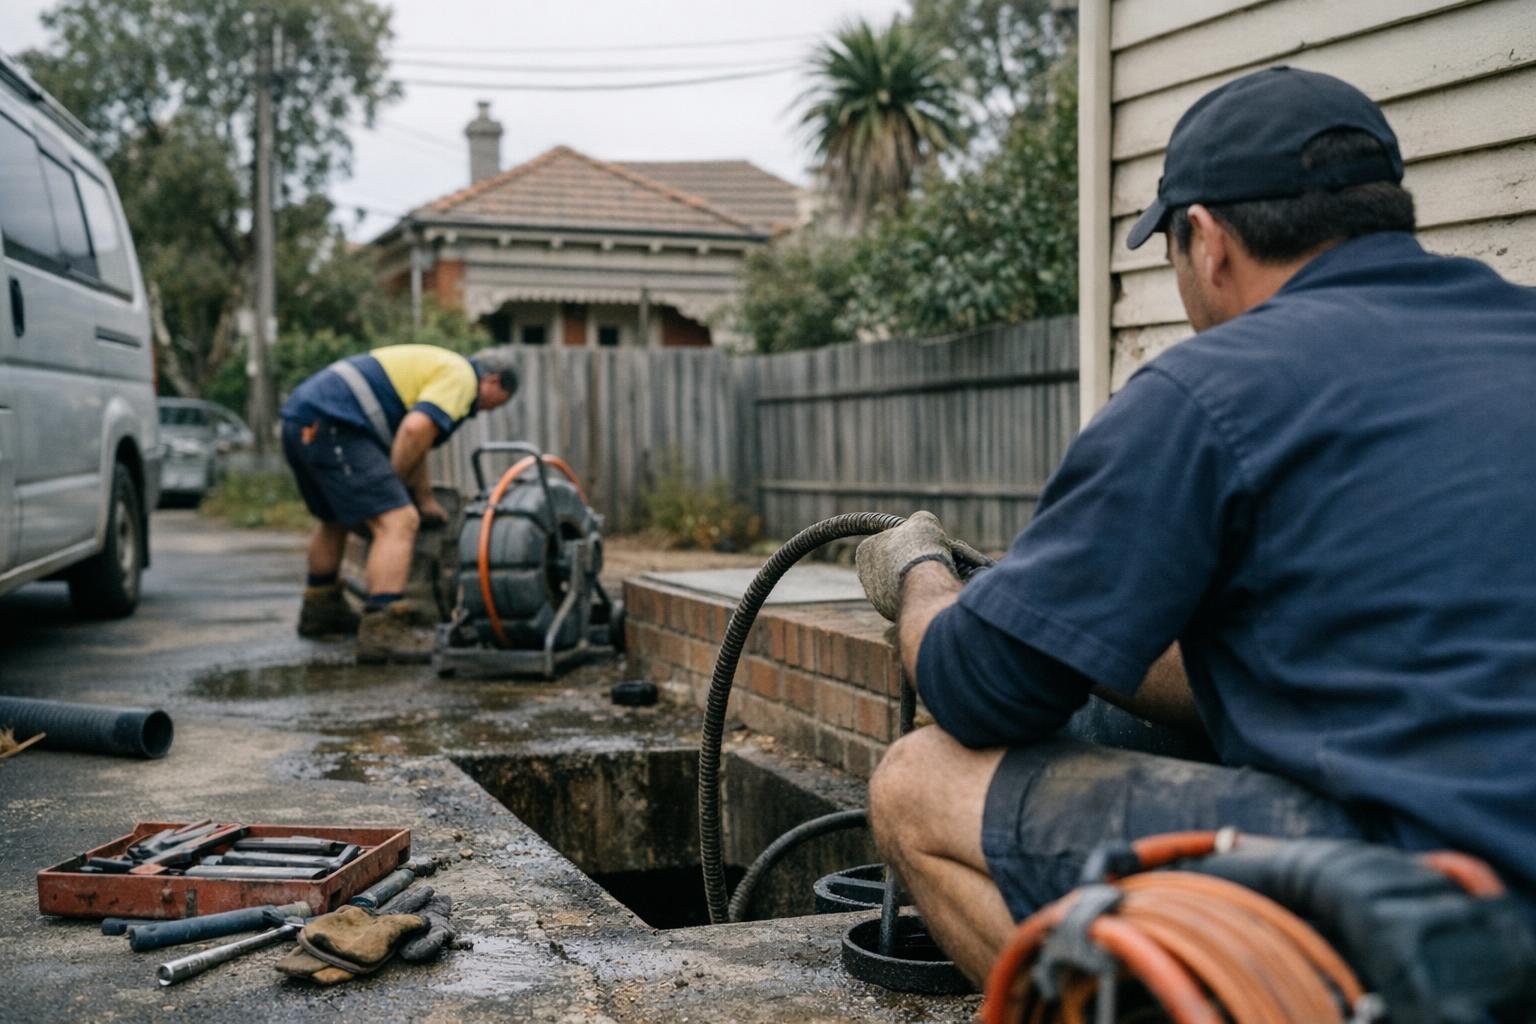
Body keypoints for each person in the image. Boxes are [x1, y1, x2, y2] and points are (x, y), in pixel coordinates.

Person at [854, 67, 1536, 984]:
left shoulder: (1210, 392)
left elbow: (980, 687)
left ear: (1207, 242)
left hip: (1442, 907)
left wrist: (920, 578)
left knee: (916, 786)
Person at [282, 343, 517, 661]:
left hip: (302, 419)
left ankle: (320, 608)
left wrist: (424, 498)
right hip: (336, 421)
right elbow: (413, 430)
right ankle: (383, 631)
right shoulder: (462, 377)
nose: (485, 411)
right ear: (492, 382)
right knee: (399, 521)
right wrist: (394, 488)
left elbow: (418, 440)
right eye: (494, 404)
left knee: (333, 519)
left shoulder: (440, 367)